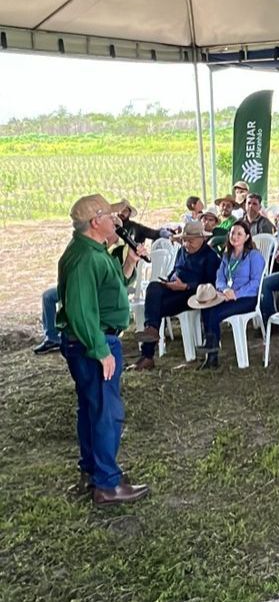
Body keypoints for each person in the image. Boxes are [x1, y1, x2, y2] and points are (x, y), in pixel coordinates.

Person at [56, 194, 150, 504]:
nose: (116, 221)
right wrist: (101, 349)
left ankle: (93, 470)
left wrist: (130, 262)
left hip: (90, 341)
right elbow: (82, 310)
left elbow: (111, 291)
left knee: (92, 408)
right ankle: (108, 483)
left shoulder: (93, 252)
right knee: (107, 412)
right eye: (110, 217)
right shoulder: (87, 259)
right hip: (94, 343)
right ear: (96, 222)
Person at [132, 221, 221, 370]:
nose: (187, 244)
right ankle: (151, 331)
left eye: (191, 241)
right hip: (176, 289)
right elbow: (175, 270)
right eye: (184, 240)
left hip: (195, 295)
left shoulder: (210, 256)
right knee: (154, 287)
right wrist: (170, 281)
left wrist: (186, 286)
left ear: (202, 239)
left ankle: (147, 354)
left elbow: (211, 285)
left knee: (156, 308)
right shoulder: (182, 251)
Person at [192, 220, 265, 369]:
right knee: (207, 307)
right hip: (227, 295)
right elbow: (220, 277)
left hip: (247, 298)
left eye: (239, 234)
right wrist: (225, 289)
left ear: (247, 237)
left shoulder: (253, 256)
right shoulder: (227, 255)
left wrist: (236, 294)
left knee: (216, 312)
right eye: (232, 233)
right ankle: (211, 352)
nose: (235, 237)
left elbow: (256, 282)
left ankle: (211, 352)